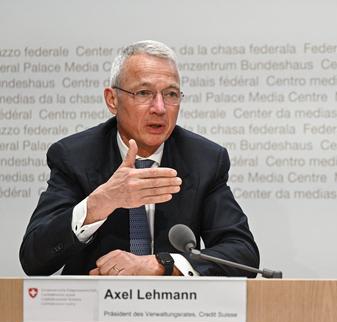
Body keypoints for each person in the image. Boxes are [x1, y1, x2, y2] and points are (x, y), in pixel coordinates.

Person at [20, 40, 259, 277]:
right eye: (144, 93)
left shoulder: (204, 159)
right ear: (112, 100)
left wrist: (163, 265)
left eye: (171, 94)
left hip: (176, 309)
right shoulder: (75, 157)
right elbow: (34, 259)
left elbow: (242, 253)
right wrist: (99, 204)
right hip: (94, 309)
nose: (160, 107)